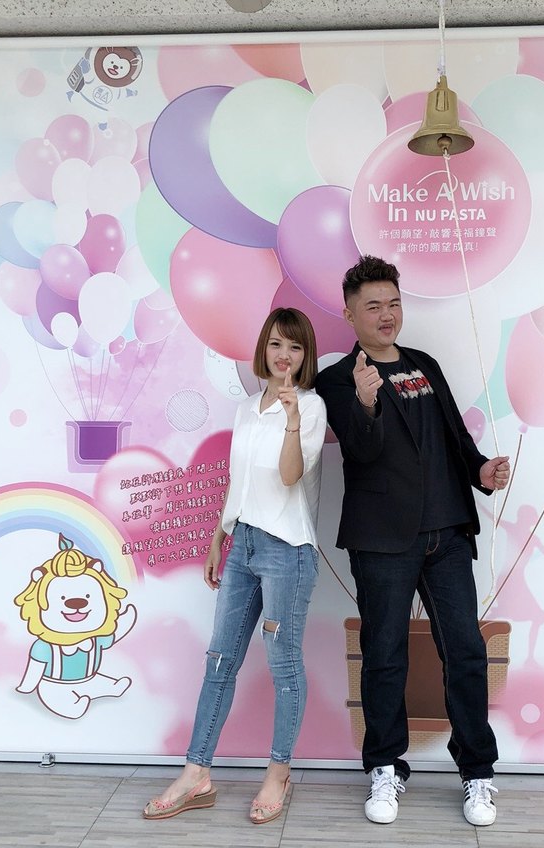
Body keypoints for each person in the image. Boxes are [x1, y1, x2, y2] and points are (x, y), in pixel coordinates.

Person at [315, 256, 510, 828]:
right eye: (373, 306)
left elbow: (454, 436)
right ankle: (384, 766)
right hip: (382, 540)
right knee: (384, 656)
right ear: (350, 314)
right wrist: (366, 402)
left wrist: (480, 471)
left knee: (466, 651)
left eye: (393, 303)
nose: (387, 315)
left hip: (446, 532)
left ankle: (477, 771)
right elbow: (360, 452)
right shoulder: (337, 379)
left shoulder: (424, 365)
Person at [143, 307, 327, 825]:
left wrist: (292, 420)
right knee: (220, 659)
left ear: (306, 355)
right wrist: (217, 538)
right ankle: (196, 773)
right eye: (276, 344)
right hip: (242, 543)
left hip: (287, 550)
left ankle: (279, 773)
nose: (284, 355)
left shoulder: (312, 407)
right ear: (263, 349)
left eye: (294, 347)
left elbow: (289, 477)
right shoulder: (247, 408)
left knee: (283, 663)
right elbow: (237, 480)